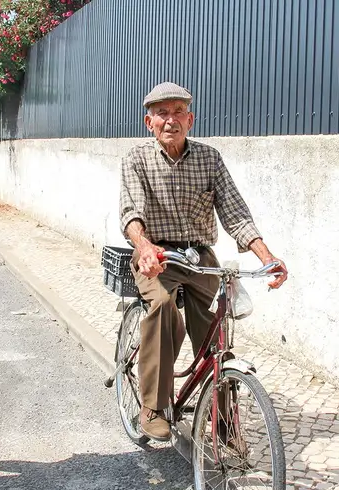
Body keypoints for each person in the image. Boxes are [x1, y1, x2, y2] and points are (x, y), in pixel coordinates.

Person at [119, 81, 289, 441]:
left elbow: (236, 213)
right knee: (163, 306)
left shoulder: (209, 158)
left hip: (199, 256)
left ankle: (223, 421)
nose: (171, 120)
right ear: (149, 122)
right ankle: (153, 405)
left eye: (178, 111)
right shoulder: (137, 158)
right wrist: (144, 246)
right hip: (156, 254)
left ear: (190, 119)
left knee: (218, 331)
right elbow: (131, 213)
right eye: (162, 113)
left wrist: (267, 256)